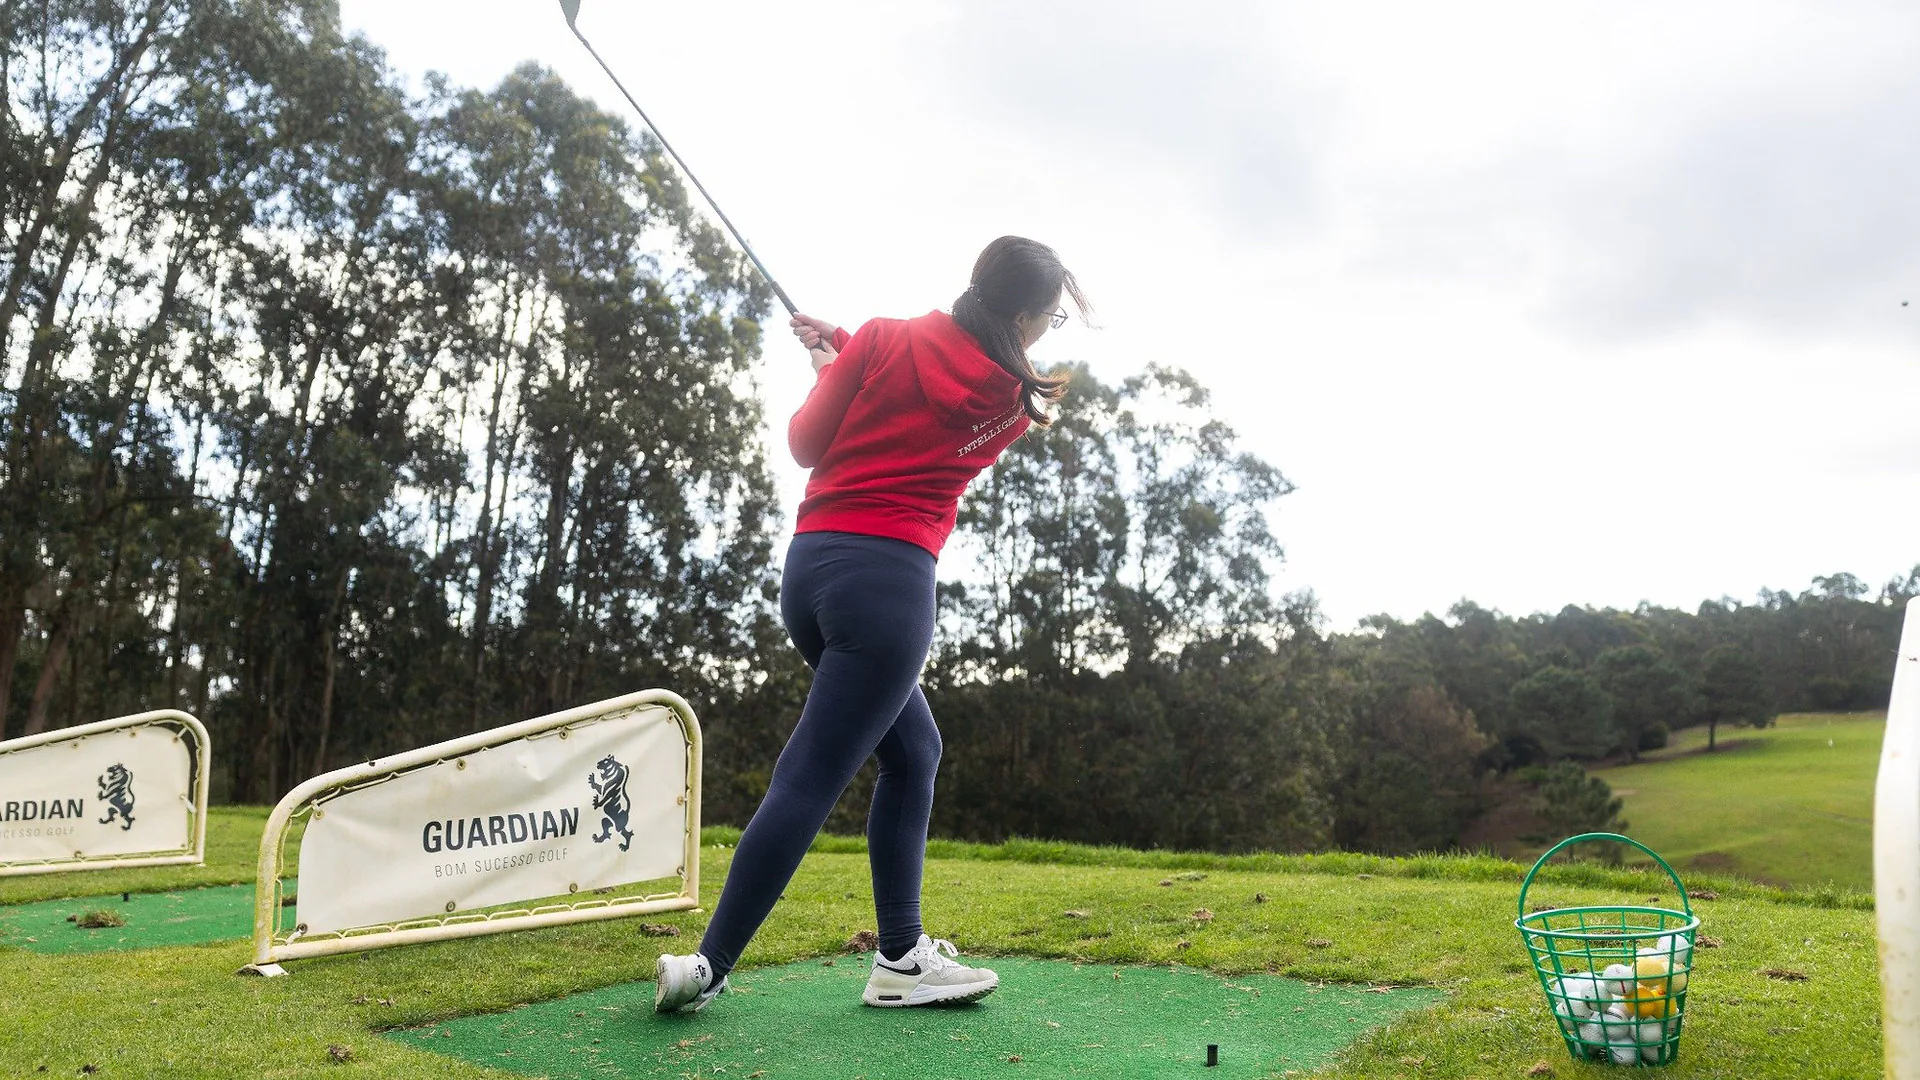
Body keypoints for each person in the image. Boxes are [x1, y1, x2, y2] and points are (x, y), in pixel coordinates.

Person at [654, 235, 1089, 1013]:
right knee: (810, 777)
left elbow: (807, 442)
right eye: (1051, 318)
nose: (1047, 332)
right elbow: (932, 412)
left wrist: (842, 361)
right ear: (1023, 315)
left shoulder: (886, 337)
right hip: (886, 591)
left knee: (915, 749)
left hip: (811, 574)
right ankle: (709, 965)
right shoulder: (1014, 403)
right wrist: (846, 361)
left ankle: (899, 955)